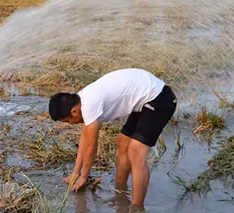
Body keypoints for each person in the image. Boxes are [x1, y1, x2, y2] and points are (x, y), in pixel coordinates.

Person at [48, 68, 177, 205]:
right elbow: (84, 141)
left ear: (74, 111)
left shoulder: (89, 105)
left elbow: (91, 147)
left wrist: (84, 176)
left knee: (135, 152)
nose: (71, 124)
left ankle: (136, 210)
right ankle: (120, 192)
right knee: (122, 142)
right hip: (144, 99)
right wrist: (75, 173)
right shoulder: (81, 100)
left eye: (68, 121)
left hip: (160, 99)